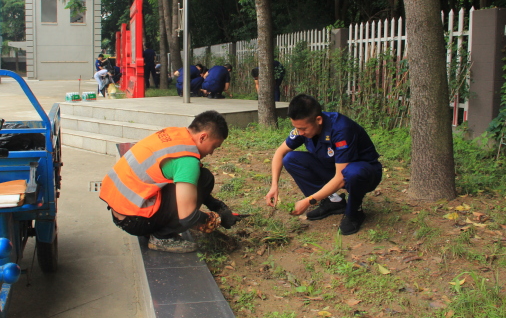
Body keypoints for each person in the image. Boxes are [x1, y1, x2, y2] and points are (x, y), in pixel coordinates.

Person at [100, 111, 241, 253]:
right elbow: (187, 217)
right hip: (135, 220)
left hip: (121, 210)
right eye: (214, 147)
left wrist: (217, 206)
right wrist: (217, 220)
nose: (211, 153)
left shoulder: (173, 134)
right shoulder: (187, 161)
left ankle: (156, 227)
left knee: (194, 179)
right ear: (203, 137)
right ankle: (162, 237)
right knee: (205, 178)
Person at [266, 94, 382, 235]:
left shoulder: (341, 129)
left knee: (352, 173)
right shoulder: (303, 127)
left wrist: (308, 201)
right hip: (334, 167)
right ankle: (332, 202)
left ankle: (354, 212)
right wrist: (274, 186)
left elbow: (341, 177)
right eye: (297, 128)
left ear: (318, 120)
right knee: (291, 158)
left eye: (303, 129)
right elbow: (280, 152)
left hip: (364, 173)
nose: (300, 133)